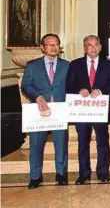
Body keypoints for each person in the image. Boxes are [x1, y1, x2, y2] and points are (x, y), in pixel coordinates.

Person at [21, 34, 70, 189]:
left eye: (56, 44)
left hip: (60, 111)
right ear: (42, 47)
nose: (54, 47)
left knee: (61, 144)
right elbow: (26, 86)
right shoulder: (32, 66)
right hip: (38, 111)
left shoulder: (67, 65)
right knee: (36, 144)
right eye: (50, 45)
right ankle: (35, 177)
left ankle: (61, 174)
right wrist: (38, 97)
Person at [66, 35, 110, 184]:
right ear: (84, 48)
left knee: (102, 141)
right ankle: (84, 173)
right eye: (89, 45)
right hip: (82, 111)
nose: (93, 48)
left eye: (96, 45)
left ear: (100, 47)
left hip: (100, 110)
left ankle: (103, 172)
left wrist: (101, 91)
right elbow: (68, 86)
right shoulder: (75, 64)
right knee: (82, 142)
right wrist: (79, 90)